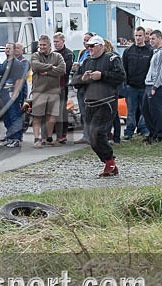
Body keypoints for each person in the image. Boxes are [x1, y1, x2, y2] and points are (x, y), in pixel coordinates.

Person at [71, 35, 126, 177]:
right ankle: (109, 161)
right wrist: (82, 79)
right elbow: (75, 80)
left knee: (98, 134)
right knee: (91, 137)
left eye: (92, 46)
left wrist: (102, 75)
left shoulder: (112, 59)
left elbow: (120, 76)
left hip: (106, 102)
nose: (89, 49)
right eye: (88, 46)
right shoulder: (86, 61)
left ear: (101, 46)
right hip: (90, 103)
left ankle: (109, 162)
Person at [29, 34, 67, 148]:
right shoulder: (35, 55)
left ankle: (49, 138)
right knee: (37, 116)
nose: (42, 47)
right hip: (39, 91)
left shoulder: (58, 56)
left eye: (44, 45)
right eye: (40, 45)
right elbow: (35, 66)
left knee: (52, 116)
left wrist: (47, 72)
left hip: (54, 91)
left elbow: (62, 69)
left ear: (49, 45)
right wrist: (51, 67)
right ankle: (37, 138)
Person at [122, 27, 152, 140]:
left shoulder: (150, 51)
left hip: (144, 86)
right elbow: (123, 68)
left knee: (145, 110)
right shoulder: (128, 51)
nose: (138, 38)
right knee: (131, 111)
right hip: (131, 87)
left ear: (144, 36)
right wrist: (125, 84)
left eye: (140, 35)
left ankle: (144, 129)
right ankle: (129, 132)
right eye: (136, 35)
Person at [141, 30, 162, 143]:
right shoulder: (156, 52)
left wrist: (155, 86)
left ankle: (160, 134)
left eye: (153, 38)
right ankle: (153, 132)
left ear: (159, 38)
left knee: (156, 110)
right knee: (146, 110)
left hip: (157, 85)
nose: (151, 41)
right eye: (150, 39)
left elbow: (160, 71)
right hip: (149, 84)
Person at [1, 42, 29, 148]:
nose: (7, 50)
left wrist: (15, 94)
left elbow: (19, 80)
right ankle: (10, 136)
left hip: (13, 95)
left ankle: (16, 138)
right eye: (6, 48)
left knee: (14, 116)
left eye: (10, 48)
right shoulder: (5, 62)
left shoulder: (16, 63)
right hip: (4, 95)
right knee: (7, 117)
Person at [53, 32, 74, 144]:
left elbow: (64, 70)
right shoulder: (53, 54)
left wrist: (53, 69)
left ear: (63, 41)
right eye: (54, 42)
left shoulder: (68, 54)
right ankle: (55, 133)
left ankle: (63, 134)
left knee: (62, 110)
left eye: (57, 41)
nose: (56, 44)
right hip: (52, 86)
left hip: (62, 85)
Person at [73, 32, 94, 144]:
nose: (86, 43)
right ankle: (85, 135)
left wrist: (80, 67)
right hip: (80, 85)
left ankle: (92, 136)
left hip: (90, 87)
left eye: (88, 40)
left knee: (90, 112)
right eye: (84, 40)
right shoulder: (82, 53)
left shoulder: (93, 54)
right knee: (83, 113)